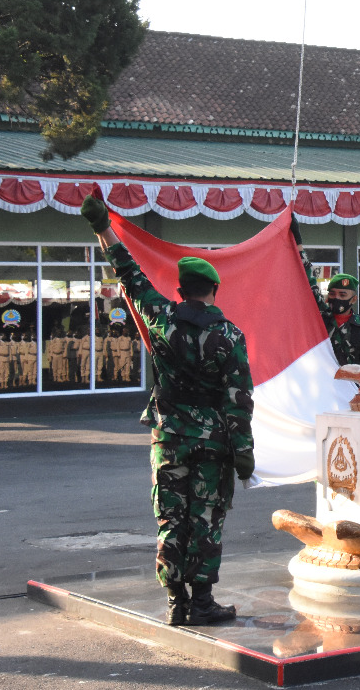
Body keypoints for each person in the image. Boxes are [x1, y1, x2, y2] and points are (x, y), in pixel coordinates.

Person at [79, 195, 254, 626]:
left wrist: (103, 228)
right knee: (206, 518)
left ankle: (176, 603)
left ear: (181, 291)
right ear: (213, 290)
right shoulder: (230, 335)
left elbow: (130, 275)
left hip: (169, 437)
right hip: (213, 440)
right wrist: (244, 451)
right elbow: (238, 399)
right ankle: (203, 601)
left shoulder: (162, 317)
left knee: (171, 517)